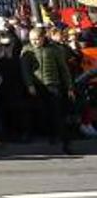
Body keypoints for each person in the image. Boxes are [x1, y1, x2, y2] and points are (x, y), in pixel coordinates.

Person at [21, 26, 74, 154]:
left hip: (53, 85)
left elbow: (63, 69)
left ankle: (65, 142)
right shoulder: (27, 50)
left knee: (58, 114)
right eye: (32, 40)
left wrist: (69, 87)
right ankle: (51, 137)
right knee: (44, 114)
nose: (34, 42)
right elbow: (25, 70)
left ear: (43, 38)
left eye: (37, 39)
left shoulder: (54, 49)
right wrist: (30, 85)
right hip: (37, 87)